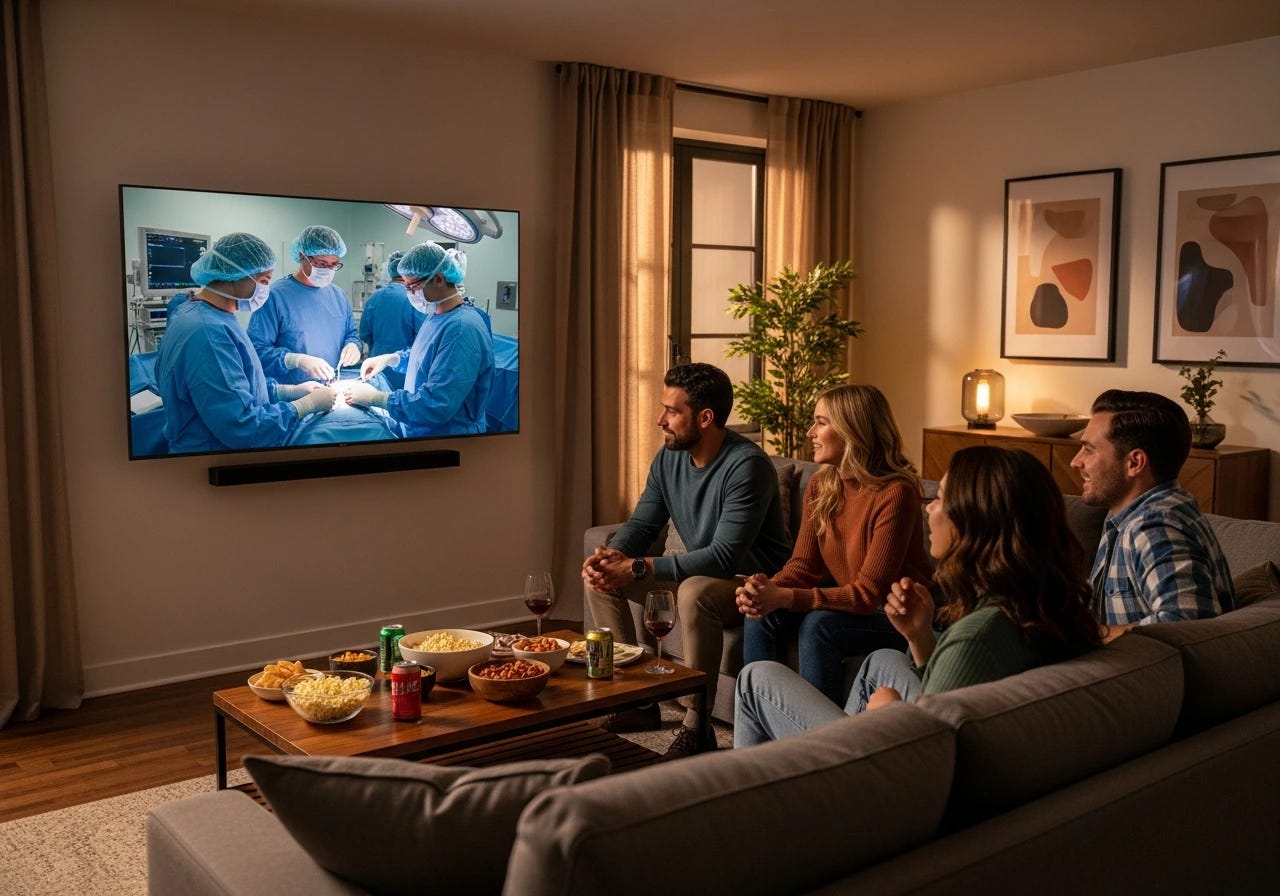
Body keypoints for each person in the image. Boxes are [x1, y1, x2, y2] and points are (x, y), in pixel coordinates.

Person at [735, 445, 1101, 747]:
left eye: (940, 498)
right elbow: (949, 705)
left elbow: (927, 760)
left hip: (885, 777)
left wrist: (888, 714)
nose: (928, 508)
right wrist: (919, 637)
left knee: (755, 678)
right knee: (882, 660)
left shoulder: (976, 638)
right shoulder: (1039, 608)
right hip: (925, 743)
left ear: (974, 522)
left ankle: (786, 775)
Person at [582, 363, 792, 758]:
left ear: (705, 417)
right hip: (703, 573)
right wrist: (613, 555)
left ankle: (698, 727)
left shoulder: (747, 467)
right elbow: (643, 523)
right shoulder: (669, 458)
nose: (660, 420)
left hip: (752, 583)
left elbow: (723, 557)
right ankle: (634, 702)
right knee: (602, 579)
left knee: (694, 592)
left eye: (672, 411)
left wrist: (638, 567)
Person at [735, 384, 934, 704]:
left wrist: (784, 596)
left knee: (820, 624)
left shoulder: (896, 493)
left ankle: (822, 732)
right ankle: (759, 722)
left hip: (897, 616)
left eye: (821, 422)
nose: (811, 432)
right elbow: (803, 566)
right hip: (855, 607)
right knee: (762, 614)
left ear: (852, 430)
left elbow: (868, 595)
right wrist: (765, 591)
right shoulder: (822, 484)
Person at [1071, 389, 1235, 640]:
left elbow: (1190, 624)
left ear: (1135, 463)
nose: (1075, 462)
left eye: (1089, 450)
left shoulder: (1153, 526)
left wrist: (1092, 636)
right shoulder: (1128, 515)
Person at [155, 233, 336, 454]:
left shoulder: (203, 313)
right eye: (263, 281)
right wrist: (304, 406)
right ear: (236, 275)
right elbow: (243, 428)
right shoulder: (209, 335)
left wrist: (288, 391)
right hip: (211, 458)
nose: (265, 290)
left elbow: (237, 386)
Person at [346, 242, 494, 437]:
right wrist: (392, 359)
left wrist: (377, 398)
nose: (409, 293)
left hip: (449, 438)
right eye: (406, 286)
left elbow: (436, 404)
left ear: (439, 279)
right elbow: (426, 358)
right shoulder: (437, 315)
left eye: (412, 286)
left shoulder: (461, 329)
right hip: (424, 430)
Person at [248, 224, 361, 386]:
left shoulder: (338, 295)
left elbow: (351, 332)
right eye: (322, 263)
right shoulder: (275, 296)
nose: (328, 270)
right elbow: (257, 349)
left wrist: (352, 344)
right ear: (303, 256)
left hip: (330, 387)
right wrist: (295, 360)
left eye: (334, 264)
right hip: (293, 393)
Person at [358, 250, 424, 390]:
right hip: (406, 371)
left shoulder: (374, 298)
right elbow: (424, 339)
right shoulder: (416, 299)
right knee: (401, 402)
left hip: (375, 369)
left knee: (378, 401)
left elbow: (364, 334)